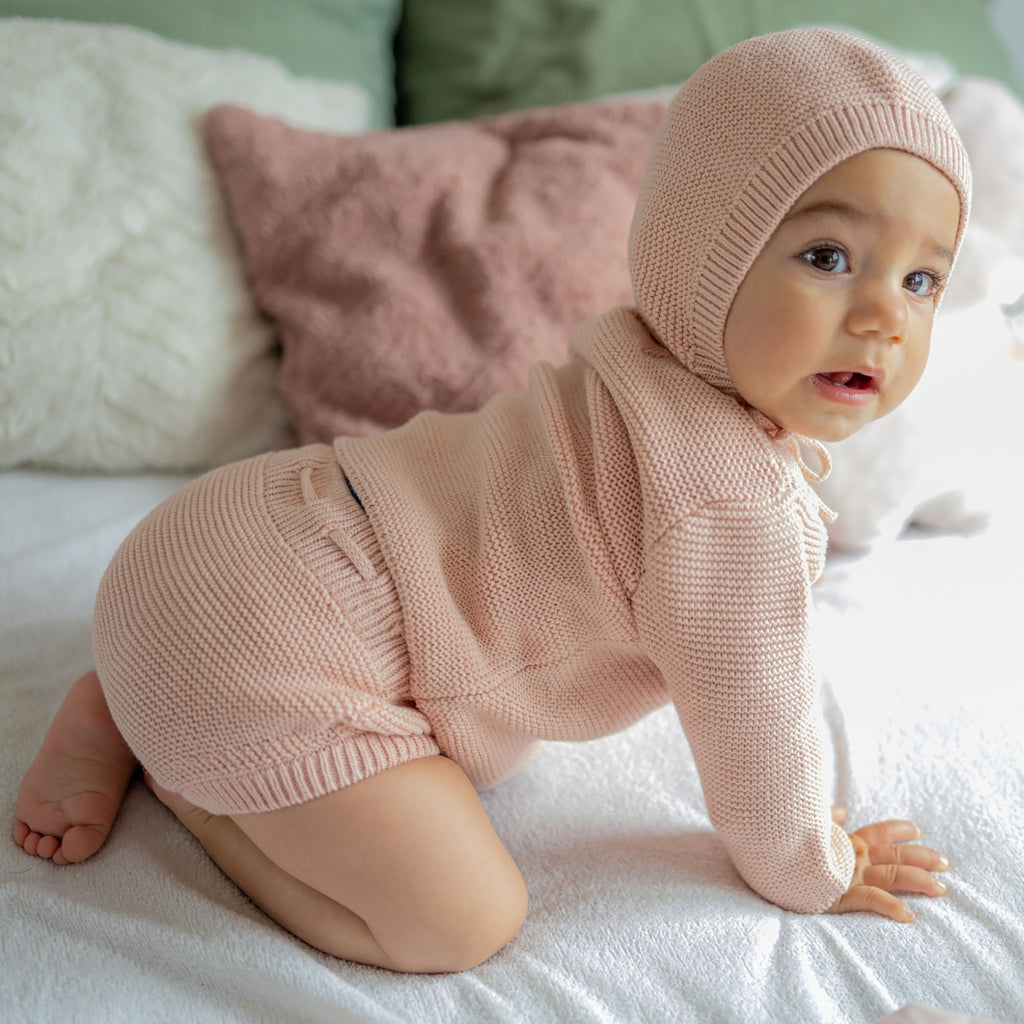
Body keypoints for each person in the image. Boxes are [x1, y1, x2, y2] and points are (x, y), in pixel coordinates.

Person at [14, 27, 970, 974]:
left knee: (462, 758)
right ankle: (193, 782)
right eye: (829, 258)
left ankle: (129, 692)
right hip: (263, 645)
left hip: (222, 530)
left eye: (922, 278)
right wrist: (813, 865)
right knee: (461, 921)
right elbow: (758, 735)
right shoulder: (727, 511)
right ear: (706, 251)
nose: (886, 315)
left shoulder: (637, 358)